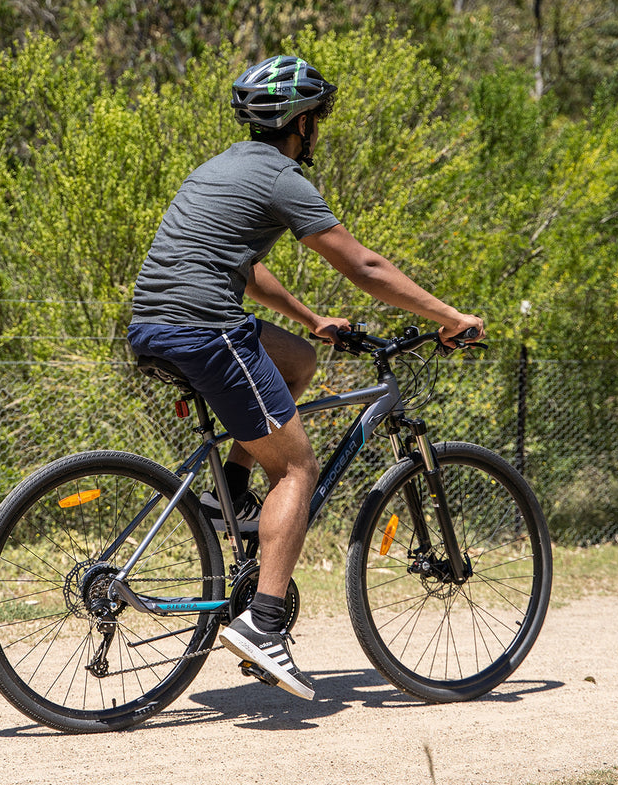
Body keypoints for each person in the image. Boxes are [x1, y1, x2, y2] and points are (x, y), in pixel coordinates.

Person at [128, 55, 485, 701]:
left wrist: (309, 316)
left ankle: (228, 493)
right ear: (300, 123)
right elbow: (364, 266)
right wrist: (448, 315)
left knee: (297, 360)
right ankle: (263, 625)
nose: (317, 129)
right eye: (316, 117)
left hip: (153, 325)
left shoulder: (219, 169)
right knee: (296, 469)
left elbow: (241, 266)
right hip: (205, 327)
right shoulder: (281, 177)